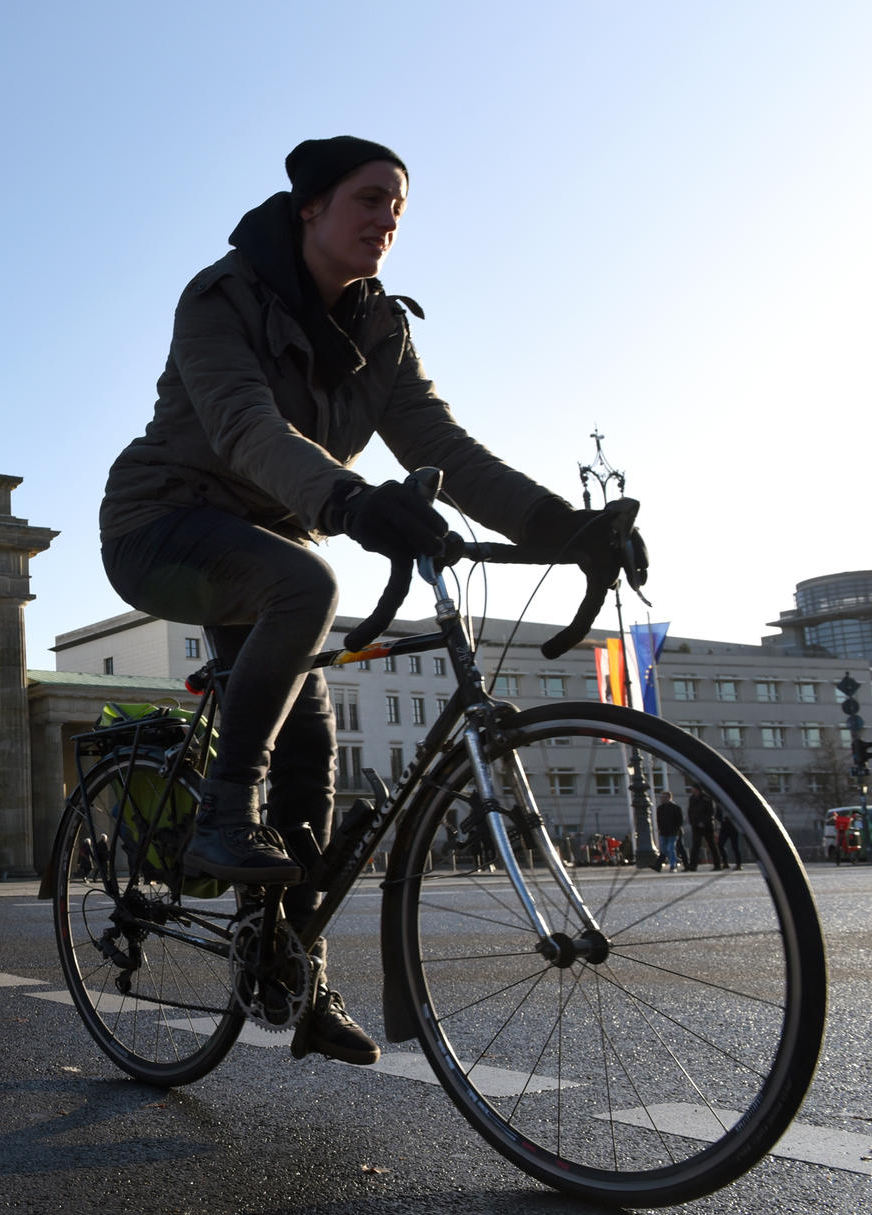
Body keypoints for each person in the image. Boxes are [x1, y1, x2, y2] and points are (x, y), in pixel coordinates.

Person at [97, 136, 637, 1066]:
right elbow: (242, 426)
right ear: (309, 206)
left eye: (400, 206)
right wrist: (349, 501)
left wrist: (562, 526)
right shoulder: (220, 297)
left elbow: (447, 448)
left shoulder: (381, 331)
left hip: (268, 543)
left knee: (313, 757)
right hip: (164, 527)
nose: (389, 218)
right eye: (371, 197)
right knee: (309, 582)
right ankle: (225, 809)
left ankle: (286, 968)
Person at [686, 785, 717, 871]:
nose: (692, 790)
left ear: (697, 789)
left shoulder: (706, 798)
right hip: (696, 825)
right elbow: (690, 811)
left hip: (706, 825)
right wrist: (693, 822)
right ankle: (693, 865)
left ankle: (717, 864)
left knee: (711, 844)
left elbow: (710, 812)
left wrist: (703, 822)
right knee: (695, 845)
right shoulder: (692, 798)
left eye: (693, 788)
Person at [655, 792, 683, 872]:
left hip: (673, 832)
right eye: (661, 797)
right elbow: (659, 820)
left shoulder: (675, 808)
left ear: (669, 798)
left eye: (664, 797)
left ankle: (673, 865)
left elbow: (679, 820)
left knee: (671, 848)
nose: (662, 799)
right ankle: (675, 859)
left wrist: (676, 829)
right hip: (663, 832)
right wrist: (660, 829)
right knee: (663, 849)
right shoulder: (660, 808)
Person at [718, 805, 744, 871]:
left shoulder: (732, 804)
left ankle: (739, 864)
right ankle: (725, 862)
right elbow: (717, 814)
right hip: (724, 827)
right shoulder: (720, 804)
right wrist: (721, 819)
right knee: (720, 844)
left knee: (735, 846)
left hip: (733, 827)